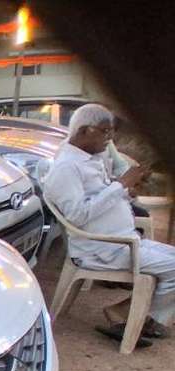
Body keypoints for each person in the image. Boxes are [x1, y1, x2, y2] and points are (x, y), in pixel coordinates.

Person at [44, 103, 175, 346]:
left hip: (123, 241)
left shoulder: (88, 159)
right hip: (104, 249)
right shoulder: (66, 168)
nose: (109, 138)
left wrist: (128, 191)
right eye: (105, 132)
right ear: (84, 131)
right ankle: (141, 319)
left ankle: (126, 314)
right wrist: (120, 185)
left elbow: (101, 196)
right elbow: (78, 215)